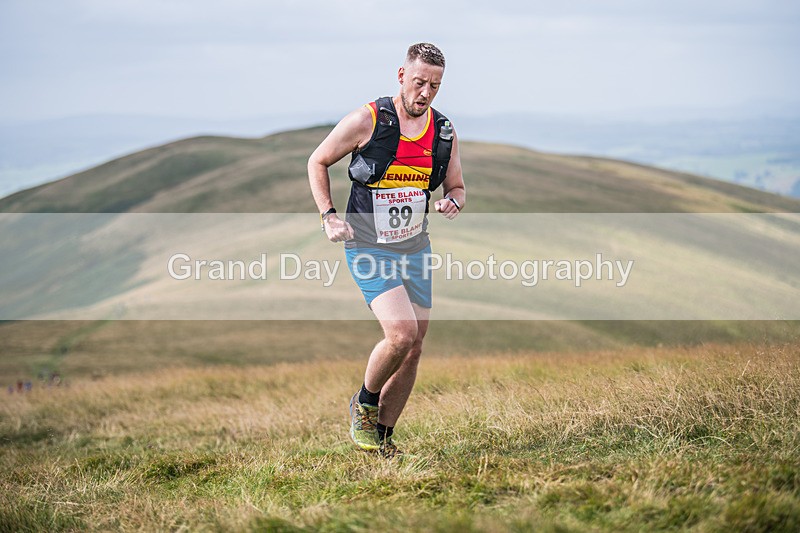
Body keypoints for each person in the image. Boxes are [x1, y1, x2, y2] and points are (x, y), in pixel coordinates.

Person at [308, 43, 465, 458]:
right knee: (401, 334)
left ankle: (383, 440)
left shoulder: (444, 131)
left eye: (435, 85)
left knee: (415, 348)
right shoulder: (368, 119)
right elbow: (317, 161)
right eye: (419, 82)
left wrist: (454, 200)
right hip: (367, 245)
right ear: (401, 75)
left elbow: (457, 187)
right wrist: (328, 215)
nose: (426, 93)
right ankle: (364, 402)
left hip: (415, 248)